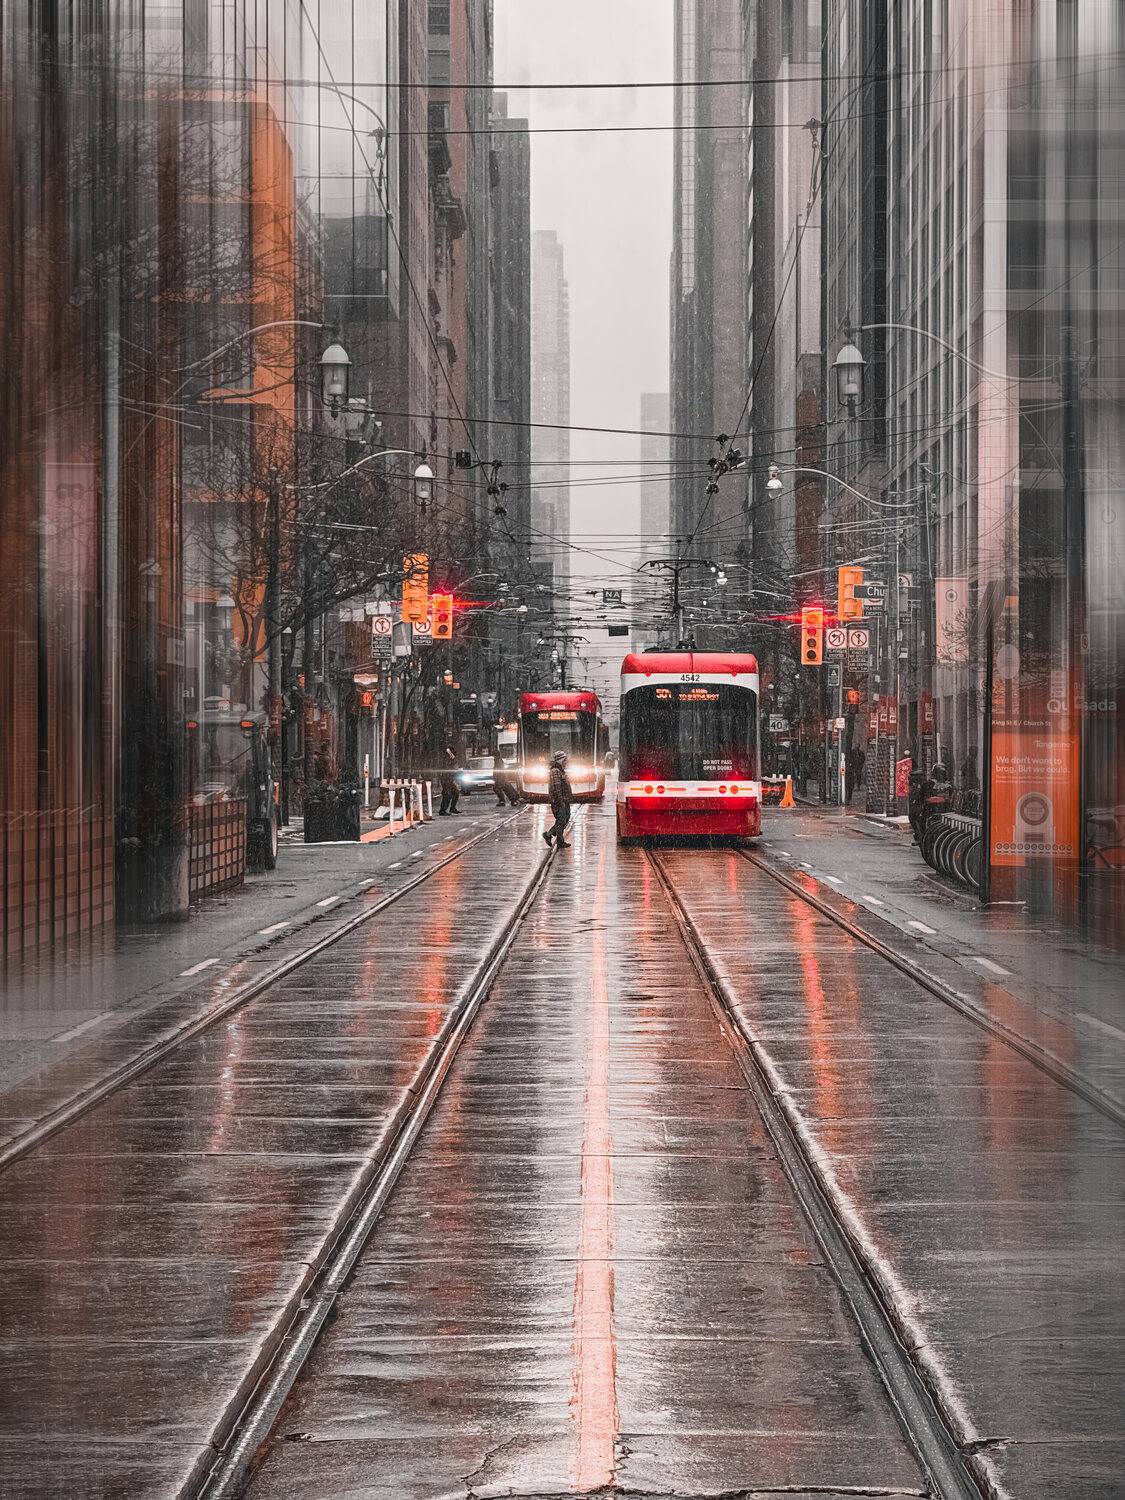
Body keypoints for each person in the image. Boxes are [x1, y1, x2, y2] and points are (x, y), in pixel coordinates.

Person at [543, 749, 573, 849]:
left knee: (565, 818)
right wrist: (560, 801)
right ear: (560, 760)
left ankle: (549, 834)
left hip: (564, 799)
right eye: (564, 760)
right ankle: (560, 841)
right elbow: (557, 787)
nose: (566, 762)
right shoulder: (555, 771)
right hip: (559, 800)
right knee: (561, 820)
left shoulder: (560, 770)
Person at [438, 742, 460, 816]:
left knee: (456, 793)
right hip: (445, 778)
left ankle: (452, 808)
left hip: (449, 778)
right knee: (447, 794)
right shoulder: (445, 758)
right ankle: (442, 810)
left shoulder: (450, 757)